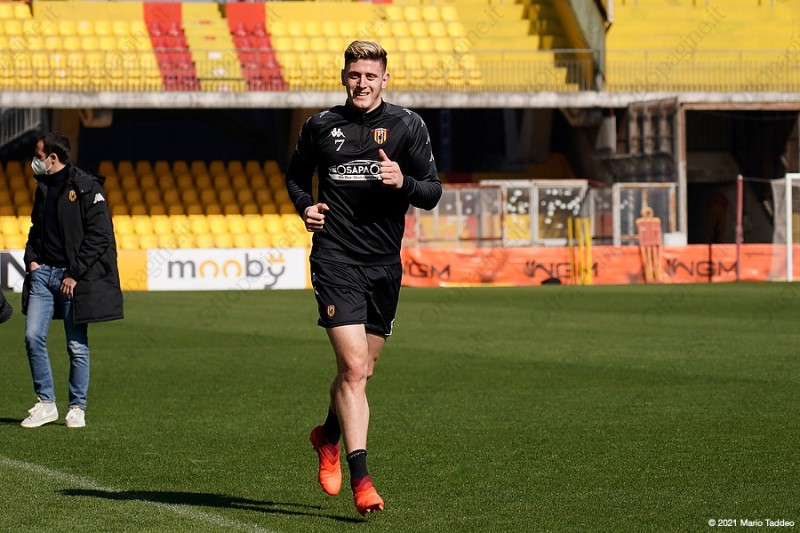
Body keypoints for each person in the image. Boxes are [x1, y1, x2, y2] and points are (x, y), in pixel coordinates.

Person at [285, 40, 442, 516]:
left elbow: (432, 192)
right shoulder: (320, 125)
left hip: (384, 266)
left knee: (363, 370)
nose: (362, 83)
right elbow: (296, 177)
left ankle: (327, 436)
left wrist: (404, 183)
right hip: (335, 260)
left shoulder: (408, 125)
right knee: (353, 370)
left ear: (384, 80)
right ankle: (363, 481)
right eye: (355, 75)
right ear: (344, 77)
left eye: (370, 76)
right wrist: (305, 207)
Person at [21, 132, 123, 429]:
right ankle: (46, 404)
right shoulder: (42, 187)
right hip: (43, 275)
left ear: (53, 158)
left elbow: (100, 235)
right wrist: (32, 260)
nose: (34, 160)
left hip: (71, 279)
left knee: (76, 345)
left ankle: (77, 407)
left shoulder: (86, 186)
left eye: (38, 155)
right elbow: (36, 228)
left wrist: (74, 273)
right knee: (32, 337)